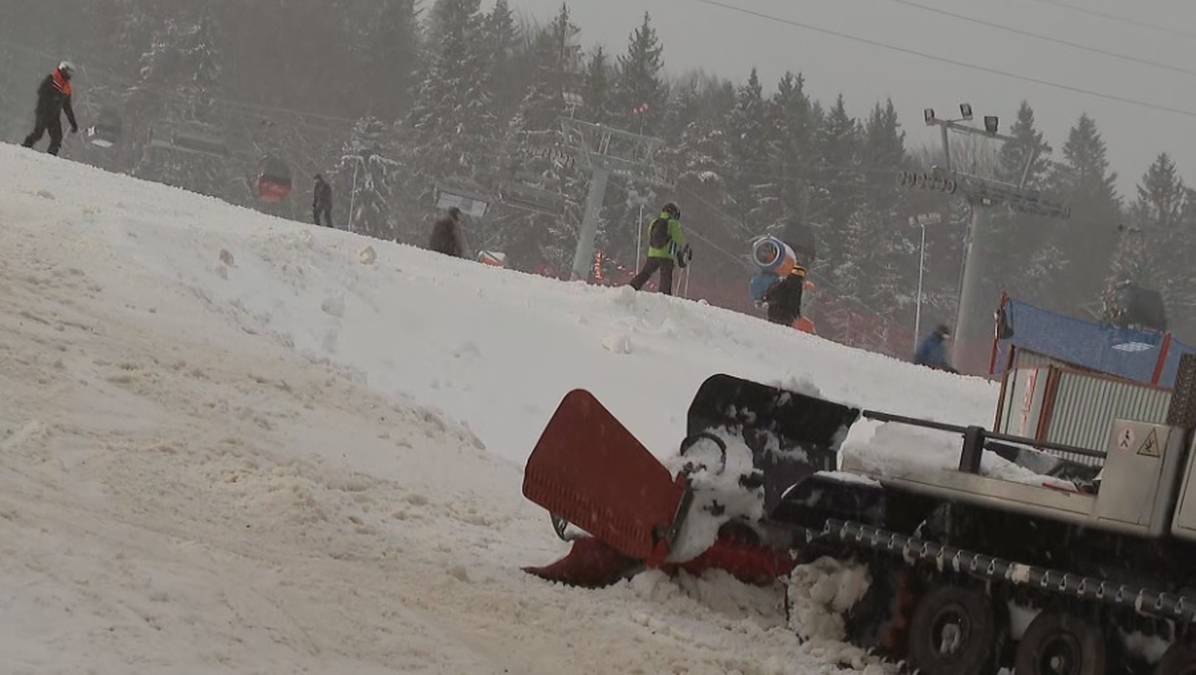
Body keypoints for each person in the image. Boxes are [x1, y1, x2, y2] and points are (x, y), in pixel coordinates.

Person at [628, 202, 690, 295]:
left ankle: (631, 287)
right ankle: (664, 295)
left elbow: (649, 235)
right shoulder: (673, 223)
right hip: (666, 255)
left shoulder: (655, 221)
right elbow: (679, 239)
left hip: (652, 254)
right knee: (666, 276)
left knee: (645, 273)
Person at [22, 61, 79, 156]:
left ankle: (50, 157)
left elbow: (67, 107)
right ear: (63, 70)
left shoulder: (67, 87)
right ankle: (24, 147)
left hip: (54, 116)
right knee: (38, 134)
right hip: (43, 112)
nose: (70, 75)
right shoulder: (51, 79)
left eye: (71, 73)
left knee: (57, 138)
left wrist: (73, 123)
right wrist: (52, 98)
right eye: (69, 72)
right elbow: (41, 91)